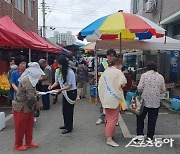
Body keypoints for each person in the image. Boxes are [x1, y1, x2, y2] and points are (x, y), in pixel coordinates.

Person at [12, 62, 44, 151]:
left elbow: (30, 92)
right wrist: (37, 103)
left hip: (28, 107)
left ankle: (28, 142)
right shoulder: (27, 80)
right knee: (20, 127)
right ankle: (17, 144)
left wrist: (35, 93)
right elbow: (30, 96)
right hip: (21, 107)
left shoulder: (30, 79)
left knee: (29, 126)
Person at [98, 58, 127, 147]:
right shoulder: (118, 72)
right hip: (114, 99)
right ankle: (109, 139)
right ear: (117, 64)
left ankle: (109, 134)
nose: (122, 66)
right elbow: (123, 84)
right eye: (121, 64)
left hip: (106, 98)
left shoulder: (105, 72)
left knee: (108, 118)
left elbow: (100, 85)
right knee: (113, 119)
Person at [136, 63, 166, 141]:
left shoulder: (144, 75)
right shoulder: (160, 77)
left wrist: (142, 91)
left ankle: (140, 135)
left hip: (144, 101)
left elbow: (139, 88)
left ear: (147, 68)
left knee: (140, 118)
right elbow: (164, 89)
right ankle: (150, 136)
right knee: (152, 120)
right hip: (155, 102)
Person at [49, 55, 77, 134]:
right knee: (64, 110)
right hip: (64, 92)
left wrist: (60, 90)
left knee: (69, 110)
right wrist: (52, 86)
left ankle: (69, 127)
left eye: (60, 64)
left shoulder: (70, 72)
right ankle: (66, 124)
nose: (59, 66)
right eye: (58, 64)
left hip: (71, 92)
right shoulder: (58, 71)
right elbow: (57, 82)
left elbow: (70, 85)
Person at [96, 49, 117, 125]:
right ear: (107, 56)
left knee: (114, 103)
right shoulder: (103, 64)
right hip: (105, 86)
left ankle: (114, 119)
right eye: (109, 56)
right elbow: (98, 73)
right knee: (103, 102)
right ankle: (102, 117)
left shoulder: (116, 64)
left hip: (114, 86)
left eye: (112, 56)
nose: (111, 57)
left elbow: (124, 71)